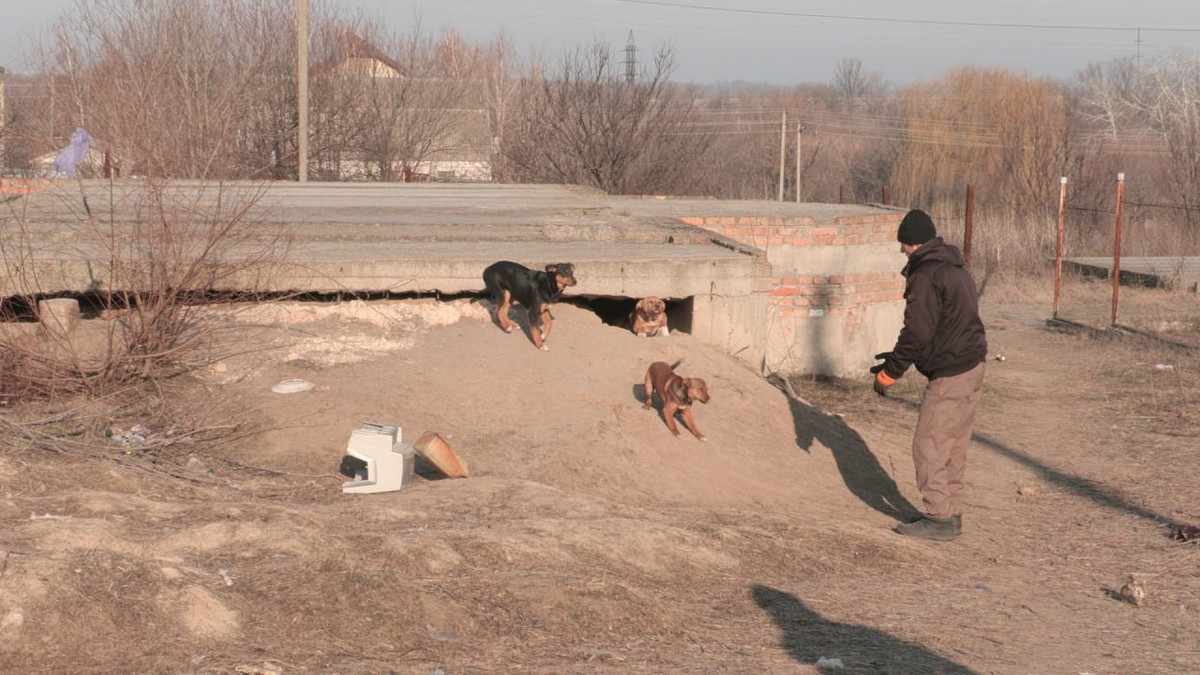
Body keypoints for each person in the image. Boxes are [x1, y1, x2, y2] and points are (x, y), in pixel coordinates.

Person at [871, 209, 987, 541]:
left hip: (951, 373)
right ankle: (950, 513)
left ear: (913, 243)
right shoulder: (956, 270)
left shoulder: (926, 275)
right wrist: (894, 359)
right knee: (953, 444)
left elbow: (917, 332)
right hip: (973, 365)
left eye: (903, 245)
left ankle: (938, 517)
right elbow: (942, 327)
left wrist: (890, 373)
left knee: (929, 444)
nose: (902, 251)